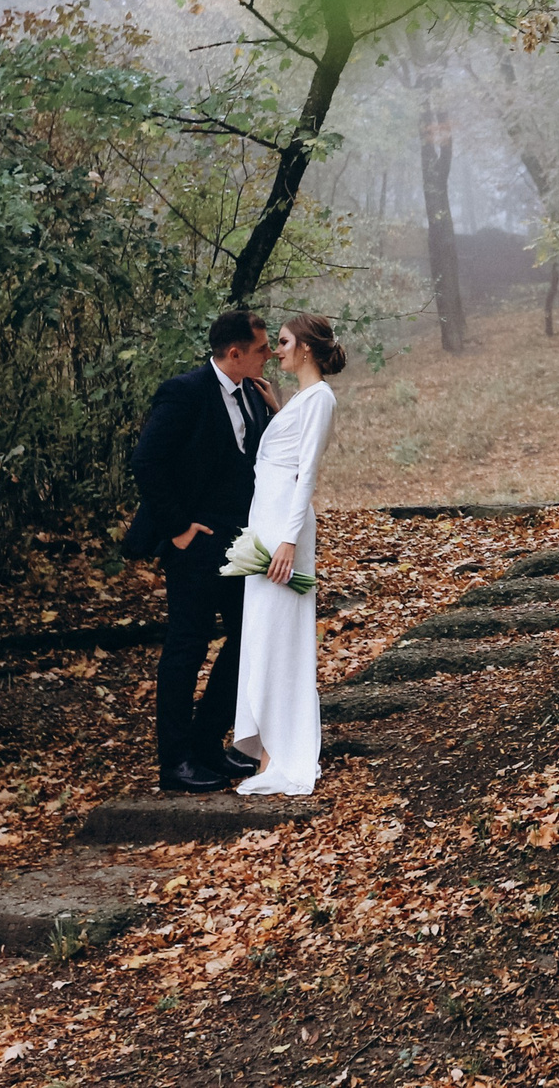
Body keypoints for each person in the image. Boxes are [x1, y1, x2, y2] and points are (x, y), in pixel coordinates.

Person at [126, 309, 275, 794]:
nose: (269, 354)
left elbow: (260, 461)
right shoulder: (185, 391)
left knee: (246, 640)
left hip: (241, 542)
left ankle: (207, 744)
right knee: (186, 646)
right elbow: (147, 460)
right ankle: (175, 763)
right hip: (194, 544)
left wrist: (275, 412)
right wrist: (178, 529)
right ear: (235, 353)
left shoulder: (254, 394)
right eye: (261, 348)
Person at [229, 313, 343, 795]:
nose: (276, 350)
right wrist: (279, 410)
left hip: (283, 530)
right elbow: (281, 452)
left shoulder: (320, 399)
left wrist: (290, 540)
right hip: (266, 522)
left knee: (278, 635)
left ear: (307, 349)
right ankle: (265, 746)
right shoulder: (300, 400)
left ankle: (281, 751)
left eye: (283, 342)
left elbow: (307, 473)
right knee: (261, 634)